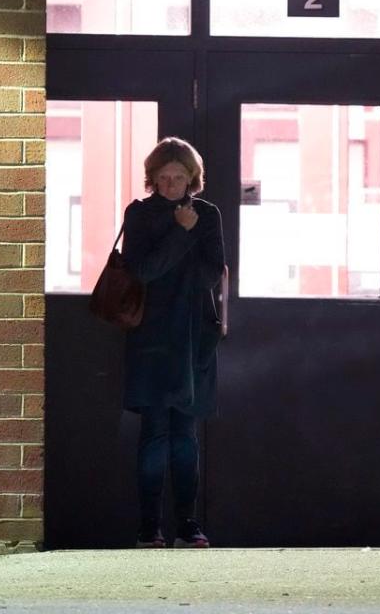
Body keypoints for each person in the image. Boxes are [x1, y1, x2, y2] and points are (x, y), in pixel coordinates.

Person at [122, 136, 225, 549]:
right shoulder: (140, 214)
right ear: (152, 179)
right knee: (154, 435)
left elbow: (211, 272)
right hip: (150, 337)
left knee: (186, 435)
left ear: (192, 178)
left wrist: (190, 235)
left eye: (178, 177)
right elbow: (143, 271)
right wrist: (182, 235)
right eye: (163, 178)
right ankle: (149, 527)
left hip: (194, 336)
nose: (170, 185)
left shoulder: (208, 214)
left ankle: (187, 523)